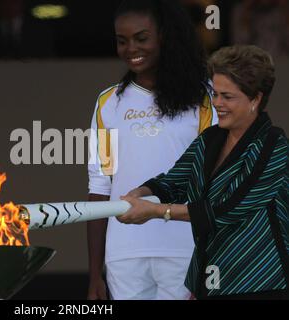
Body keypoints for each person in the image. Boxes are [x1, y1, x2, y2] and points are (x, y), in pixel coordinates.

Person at [118, 45, 288, 299]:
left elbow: (224, 210)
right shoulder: (210, 139)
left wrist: (154, 211)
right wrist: (140, 192)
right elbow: (173, 182)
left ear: (256, 99)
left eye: (227, 96)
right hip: (209, 283)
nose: (217, 103)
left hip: (261, 284)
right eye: (215, 93)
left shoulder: (274, 147)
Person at [87, 0, 217, 300]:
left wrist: (211, 259)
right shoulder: (108, 103)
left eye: (141, 38)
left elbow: (216, 181)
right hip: (124, 255)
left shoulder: (206, 96)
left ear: (165, 36)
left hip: (186, 250)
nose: (131, 48)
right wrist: (95, 272)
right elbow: (99, 184)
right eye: (122, 41)